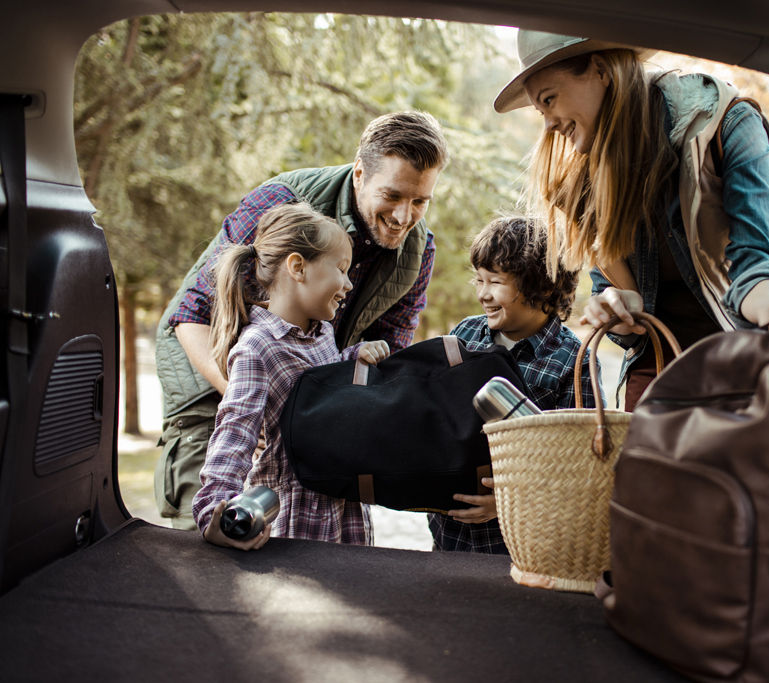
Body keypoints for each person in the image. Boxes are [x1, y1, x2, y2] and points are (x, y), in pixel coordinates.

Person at [494, 30, 769, 410]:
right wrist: (614, 307)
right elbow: (626, 314)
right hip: (659, 377)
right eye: (541, 112)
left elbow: (756, 268)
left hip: (744, 359)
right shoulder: (585, 184)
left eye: (549, 100)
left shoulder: (726, 123)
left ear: (600, 70)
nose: (549, 125)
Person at [154, 111, 448, 529]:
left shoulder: (419, 252)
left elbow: (386, 359)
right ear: (360, 173)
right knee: (210, 538)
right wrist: (256, 408)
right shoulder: (281, 200)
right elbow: (191, 314)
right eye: (393, 196)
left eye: (420, 201)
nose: (404, 216)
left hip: (304, 396)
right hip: (213, 376)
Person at [193, 202, 391, 549]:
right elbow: (234, 434)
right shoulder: (258, 347)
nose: (347, 284)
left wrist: (351, 358)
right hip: (295, 518)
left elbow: (320, 388)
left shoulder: (322, 333)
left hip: (342, 510)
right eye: (341, 269)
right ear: (298, 267)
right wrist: (215, 514)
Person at [428, 215, 602, 555]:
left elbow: (580, 466)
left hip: (519, 544)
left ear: (543, 285)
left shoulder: (574, 361)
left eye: (495, 282)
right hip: (448, 537)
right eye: (478, 280)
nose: (483, 294)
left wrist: (505, 503)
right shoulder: (464, 335)